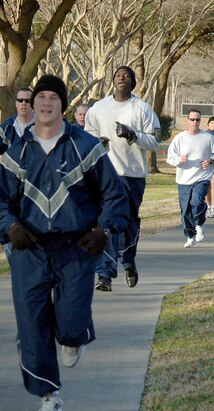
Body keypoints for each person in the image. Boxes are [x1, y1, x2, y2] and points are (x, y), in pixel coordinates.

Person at [0, 75, 129, 411]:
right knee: (32, 325)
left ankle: (74, 337)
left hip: (75, 248)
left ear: (63, 105)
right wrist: (10, 227)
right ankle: (49, 396)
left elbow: (115, 194)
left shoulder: (86, 146)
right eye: (40, 97)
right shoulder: (17, 151)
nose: (46, 103)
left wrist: (103, 230)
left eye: (53, 97)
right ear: (31, 104)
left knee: (69, 322)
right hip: (29, 250)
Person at [84, 65, 161, 291]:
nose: (121, 78)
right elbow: (87, 133)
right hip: (106, 175)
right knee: (106, 222)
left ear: (132, 82)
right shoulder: (98, 108)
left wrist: (133, 135)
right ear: (113, 80)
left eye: (126, 76)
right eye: (118, 75)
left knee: (127, 224)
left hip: (132, 175)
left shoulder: (143, 109)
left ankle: (128, 261)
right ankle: (104, 274)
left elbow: (156, 142)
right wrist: (97, 142)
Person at [166, 109, 214, 248]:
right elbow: (170, 158)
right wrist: (180, 159)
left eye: (197, 120)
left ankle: (200, 224)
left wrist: (210, 161)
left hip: (202, 177)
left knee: (196, 203)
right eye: (192, 119)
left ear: (200, 120)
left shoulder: (208, 137)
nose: (195, 122)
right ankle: (190, 236)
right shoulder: (180, 138)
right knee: (185, 211)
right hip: (184, 179)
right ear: (188, 120)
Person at [0, 88, 34, 169]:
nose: (23, 103)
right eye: (20, 100)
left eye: (27, 101)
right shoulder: (7, 127)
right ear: (16, 104)